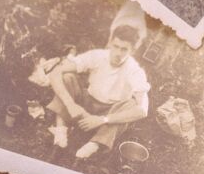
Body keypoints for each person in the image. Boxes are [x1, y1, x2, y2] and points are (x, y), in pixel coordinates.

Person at [47, 24, 150, 159]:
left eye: (124, 49)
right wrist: (70, 105)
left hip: (110, 112)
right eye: (116, 46)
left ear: (132, 50)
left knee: (131, 104)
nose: (118, 53)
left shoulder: (135, 71)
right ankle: (61, 129)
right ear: (110, 43)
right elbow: (56, 72)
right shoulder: (98, 56)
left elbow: (142, 111)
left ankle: (95, 144)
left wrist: (103, 120)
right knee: (67, 78)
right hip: (86, 103)